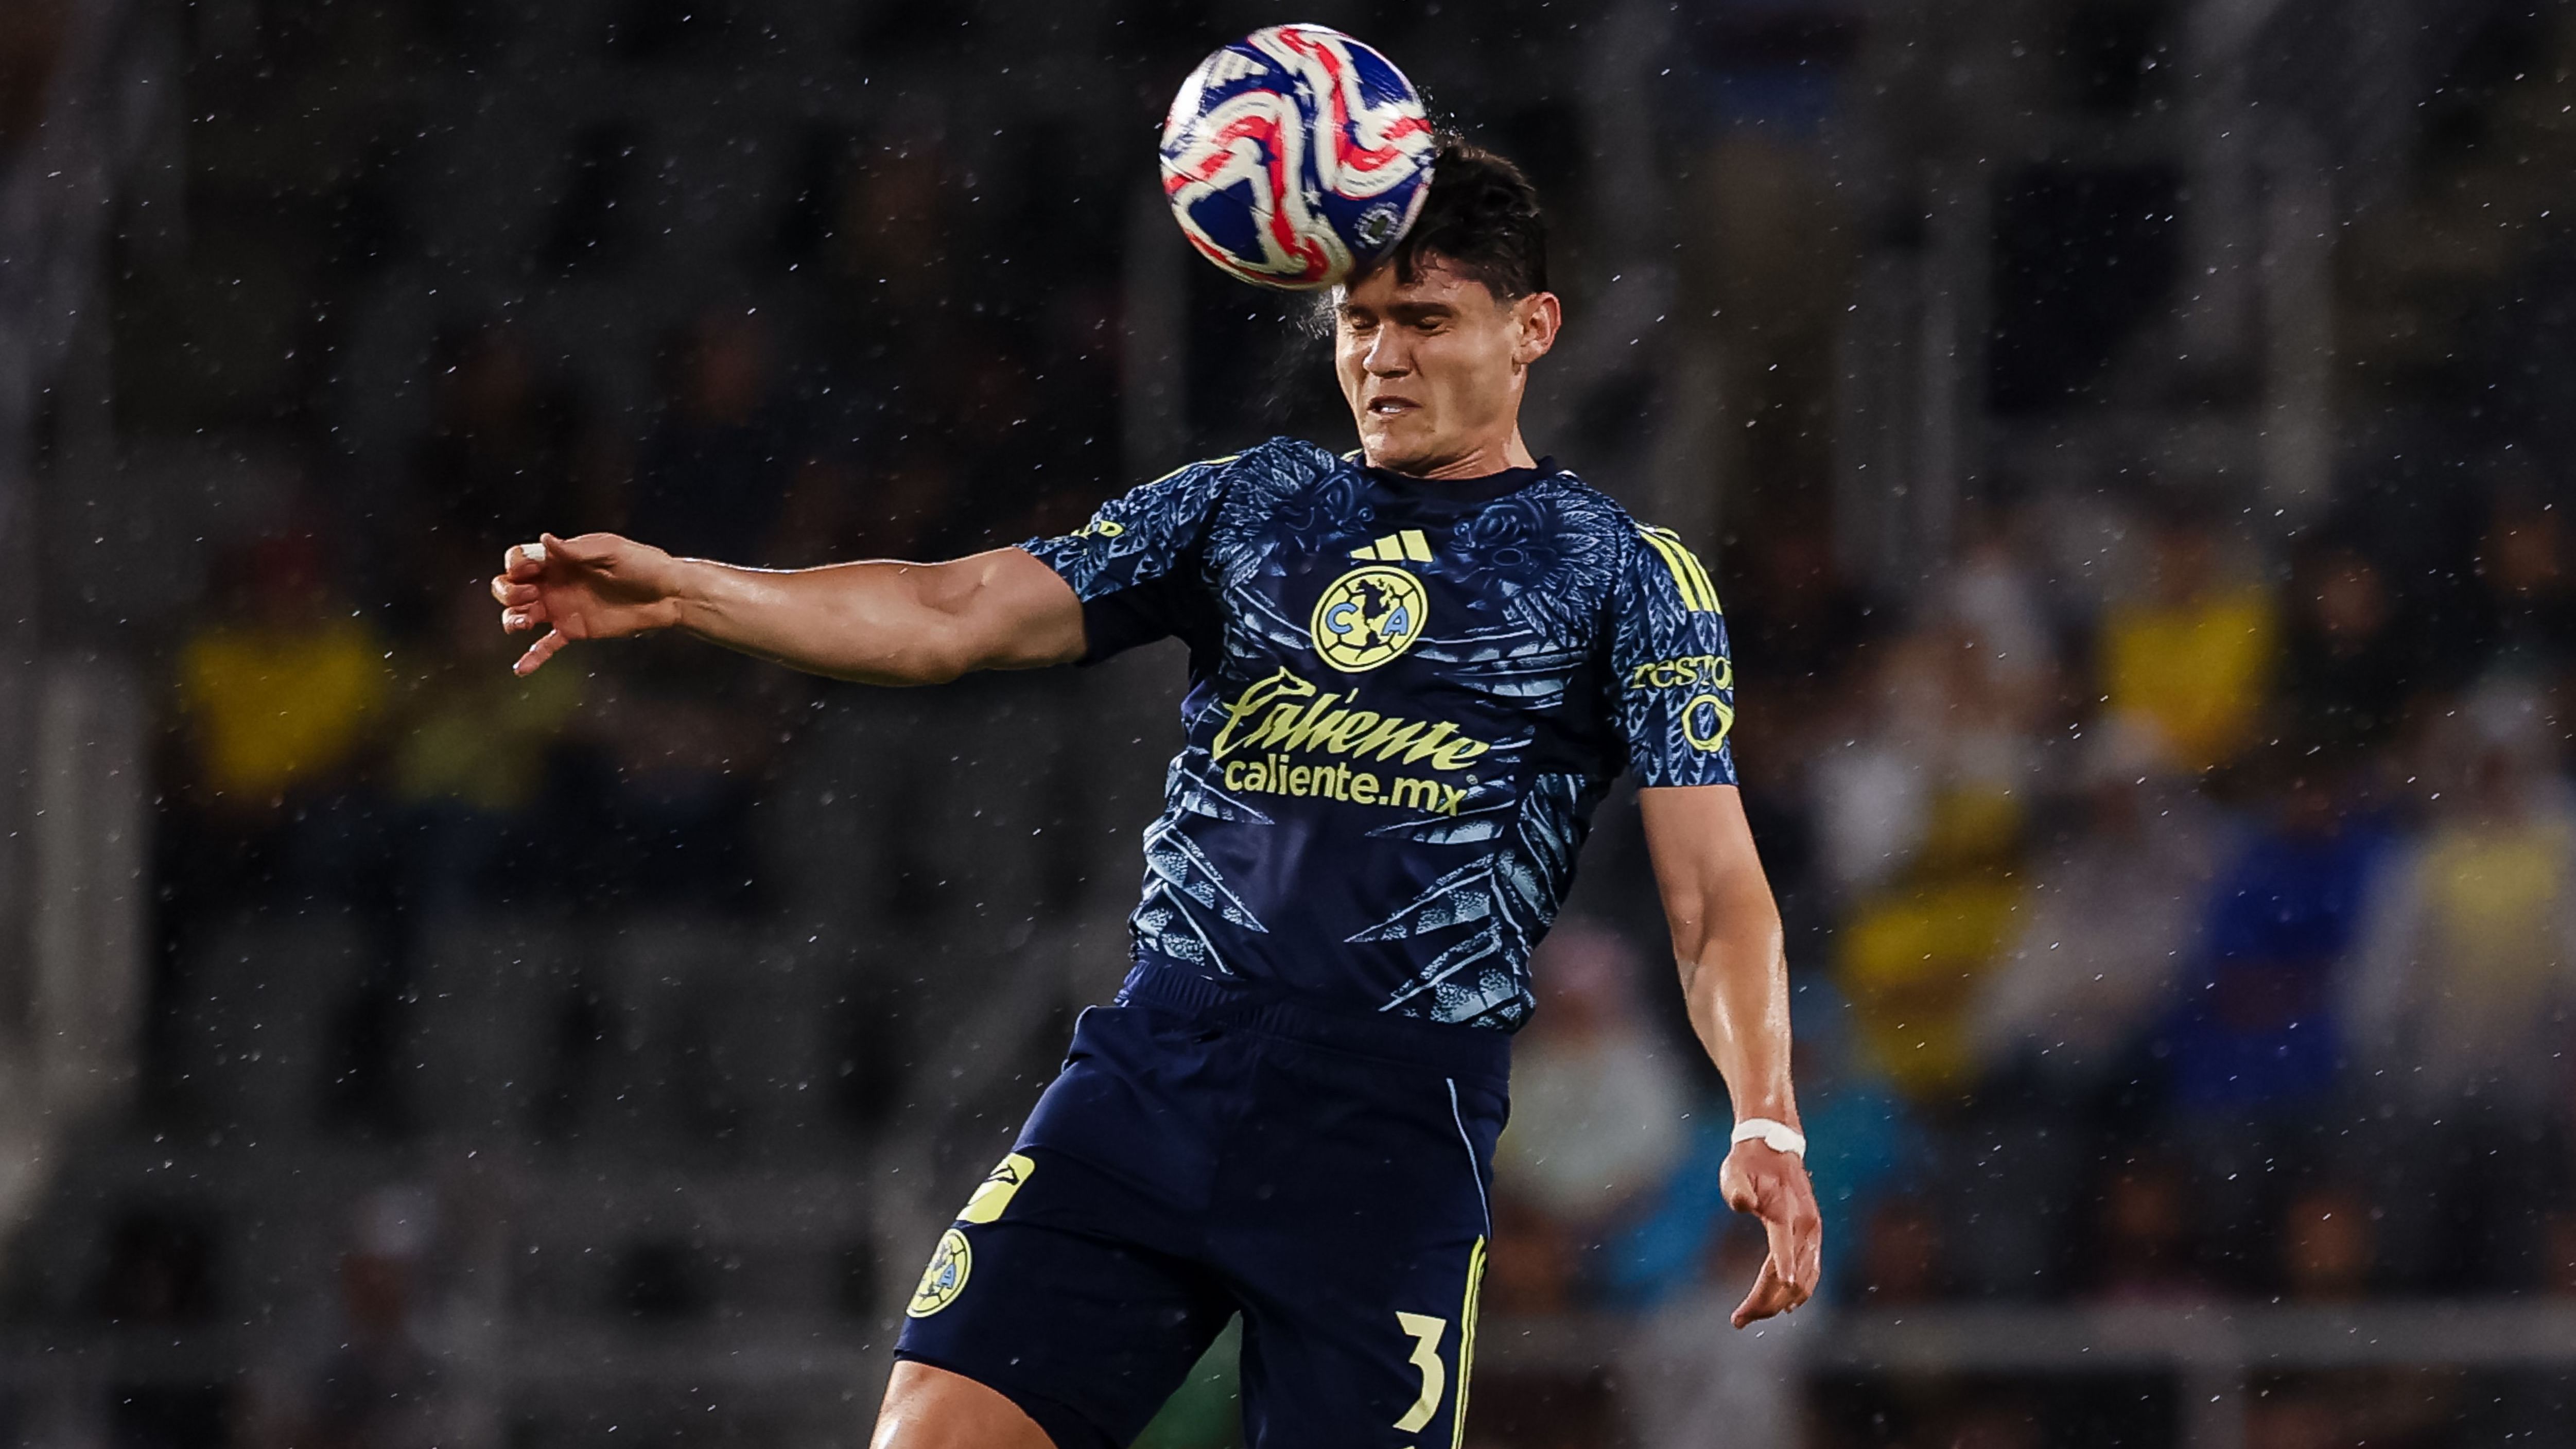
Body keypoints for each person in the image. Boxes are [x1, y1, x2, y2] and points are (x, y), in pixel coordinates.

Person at [487, 140, 1820, 1449]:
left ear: (1532, 327)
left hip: (1388, 1129)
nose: (1380, 355)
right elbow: (951, 607)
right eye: (1359, 320)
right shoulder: (1248, 505)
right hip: (1157, 1076)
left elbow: (1710, 889)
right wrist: (695, 591)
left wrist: (1762, 1111)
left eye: (1425, 318)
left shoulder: (1624, 574)